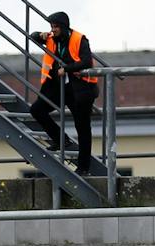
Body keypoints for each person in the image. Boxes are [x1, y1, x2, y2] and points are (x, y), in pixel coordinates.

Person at [27, 11, 99, 170]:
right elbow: (32, 37)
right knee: (37, 109)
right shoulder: (51, 38)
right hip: (59, 88)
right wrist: (40, 35)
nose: (53, 30)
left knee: (83, 128)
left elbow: (87, 61)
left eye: (56, 27)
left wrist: (66, 69)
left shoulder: (79, 39)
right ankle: (61, 140)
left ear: (64, 27)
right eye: (51, 27)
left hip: (80, 89)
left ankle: (83, 167)